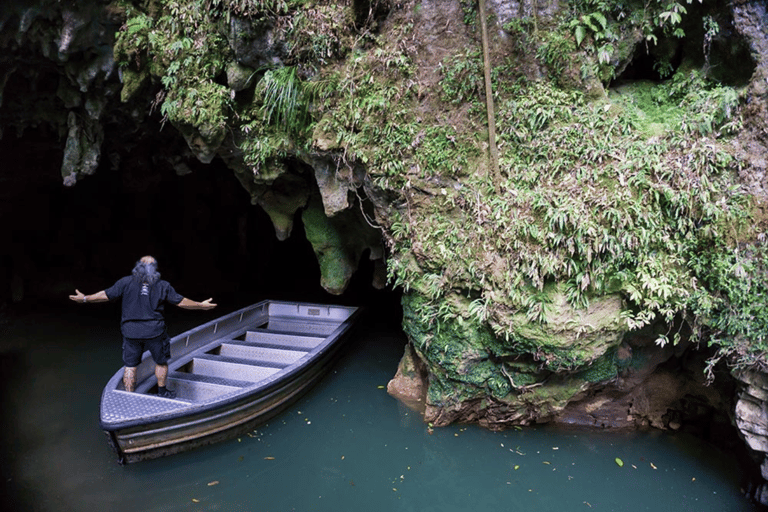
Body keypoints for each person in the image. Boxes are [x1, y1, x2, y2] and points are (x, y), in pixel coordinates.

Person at [69, 255, 217, 398]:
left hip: (131, 332)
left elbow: (105, 295)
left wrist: (84, 299)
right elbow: (181, 302)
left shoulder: (125, 282)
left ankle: (129, 396)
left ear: (137, 267)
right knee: (161, 362)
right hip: (154, 332)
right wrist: (201, 306)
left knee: (130, 366)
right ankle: (162, 391)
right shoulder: (162, 285)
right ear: (155, 269)